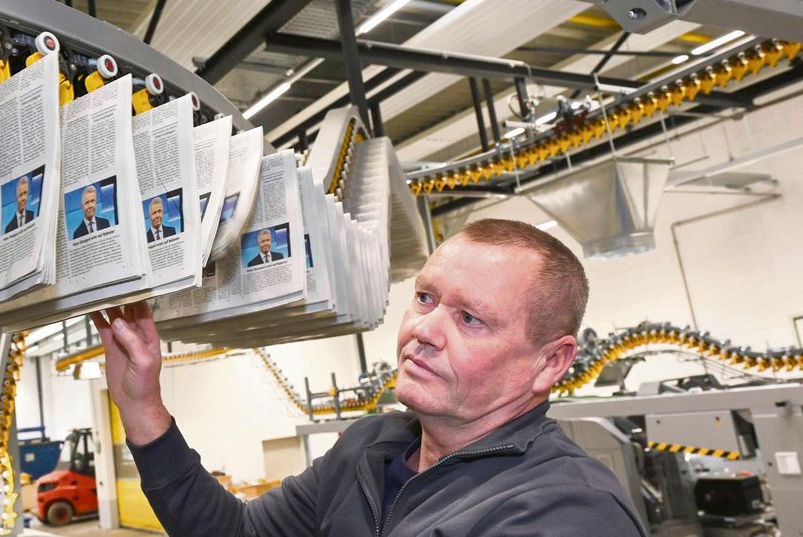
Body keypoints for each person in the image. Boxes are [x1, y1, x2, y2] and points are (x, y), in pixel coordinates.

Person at [89, 219, 647, 537]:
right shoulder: (370, 448)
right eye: (425, 297)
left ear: (550, 363)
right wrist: (143, 410)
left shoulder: (568, 511)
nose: (424, 329)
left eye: (469, 318)